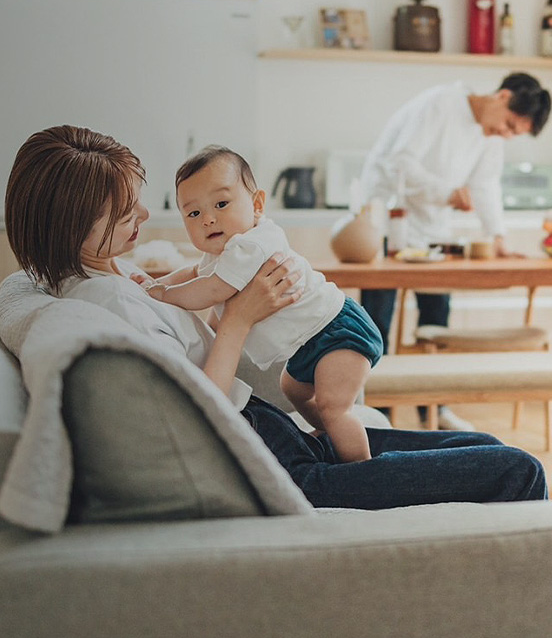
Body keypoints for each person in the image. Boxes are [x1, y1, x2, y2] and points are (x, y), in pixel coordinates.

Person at [3, 124, 548, 508]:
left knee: (490, 450)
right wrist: (241, 316)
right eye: (125, 210)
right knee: (519, 470)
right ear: (77, 222)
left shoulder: (111, 278)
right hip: (272, 459)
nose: (145, 214)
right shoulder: (109, 303)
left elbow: (187, 294)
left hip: (274, 431)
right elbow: (201, 411)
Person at [137, 145, 382, 463]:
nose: (208, 219)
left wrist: (162, 295)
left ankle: (362, 469)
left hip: (337, 330)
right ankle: (332, 435)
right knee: (294, 390)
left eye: (221, 204)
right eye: (194, 213)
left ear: (256, 205)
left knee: (334, 405)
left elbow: (211, 290)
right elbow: (196, 272)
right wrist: (158, 283)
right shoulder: (222, 250)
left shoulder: (251, 244)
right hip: (309, 342)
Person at [359, 72, 552, 431]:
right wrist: (446, 193)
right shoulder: (441, 104)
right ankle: (377, 413)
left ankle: (435, 409)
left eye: (514, 133)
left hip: (432, 229)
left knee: (437, 318)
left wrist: (499, 238)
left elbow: (485, 185)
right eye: (509, 124)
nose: (505, 135)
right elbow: (400, 162)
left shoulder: (491, 135)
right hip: (388, 219)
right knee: (378, 321)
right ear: (502, 96)